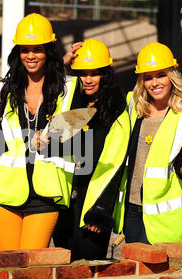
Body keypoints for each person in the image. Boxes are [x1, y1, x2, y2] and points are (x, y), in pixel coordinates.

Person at [0, 13, 82, 251]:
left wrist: (50, 144)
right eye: (25, 50)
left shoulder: (69, 90)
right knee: (7, 266)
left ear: (48, 51)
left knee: (31, 267)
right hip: (4, 193)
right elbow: (0, 144)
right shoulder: (4, 90)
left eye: (37, 49)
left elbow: (79, 145)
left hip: (46, 194)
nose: (30, 56)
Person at [112, 41, 182, 244]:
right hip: (131, 209)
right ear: (142, 81)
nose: (154, 83)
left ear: (172, 77)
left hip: (163, 217)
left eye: (161, 75)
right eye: (148, 78)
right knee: (135, 271)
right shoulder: (134, 107)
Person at [52, 39, 130, 261]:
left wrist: (101, 211)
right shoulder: (66, 104)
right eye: (81, 74)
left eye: (93, 73)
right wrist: (59, 64)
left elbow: (116, 163)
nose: (87, 80)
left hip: (92, 205)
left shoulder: (116, 110)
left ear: (105, 74)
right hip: (65, 199)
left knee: (87, 270)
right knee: (64, 267)